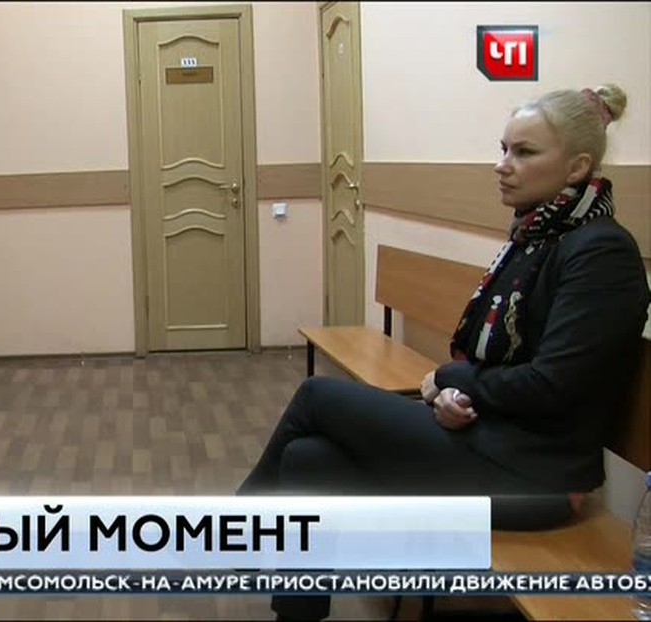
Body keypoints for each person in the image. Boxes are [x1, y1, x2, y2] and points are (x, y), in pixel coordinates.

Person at [238, 84, 650, 621]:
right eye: (503, 148)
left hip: (537, 477)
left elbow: (553, 387)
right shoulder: (535, 238)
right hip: (491, 441)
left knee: (318, 396)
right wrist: (456, 393)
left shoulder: (601, 253)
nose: (502, 165)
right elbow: (498, 362)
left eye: (524, 152)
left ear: (577, 167)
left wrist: (453, 379)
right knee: (307, 459)